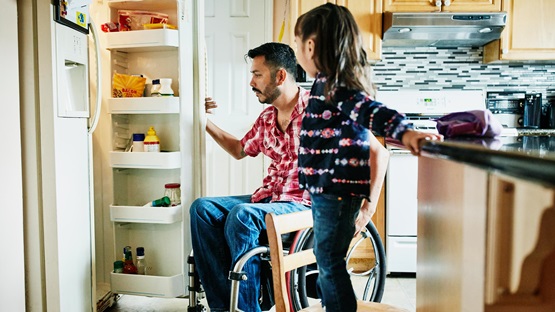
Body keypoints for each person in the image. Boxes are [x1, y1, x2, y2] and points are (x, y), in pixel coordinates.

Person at [294, 3, 443, 312]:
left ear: (310, 45)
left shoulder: (336, 85)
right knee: (328, 261)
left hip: (334, 192)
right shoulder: (327, 83)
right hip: (327, 190)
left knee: (330, 262)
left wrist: (405, 132)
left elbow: (373, 111)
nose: (297, 50)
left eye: (296, 43)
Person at [189, 42, 312, 312]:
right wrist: (200, 118)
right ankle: (225, 307)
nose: (251, 82)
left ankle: (246, 309)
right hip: (271, 200)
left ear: (280, 76)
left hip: (305, 205)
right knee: (202, 209)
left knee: (243, 215)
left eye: (257, 74)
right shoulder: (268, 117)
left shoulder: (318, 111)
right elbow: (238, 149)